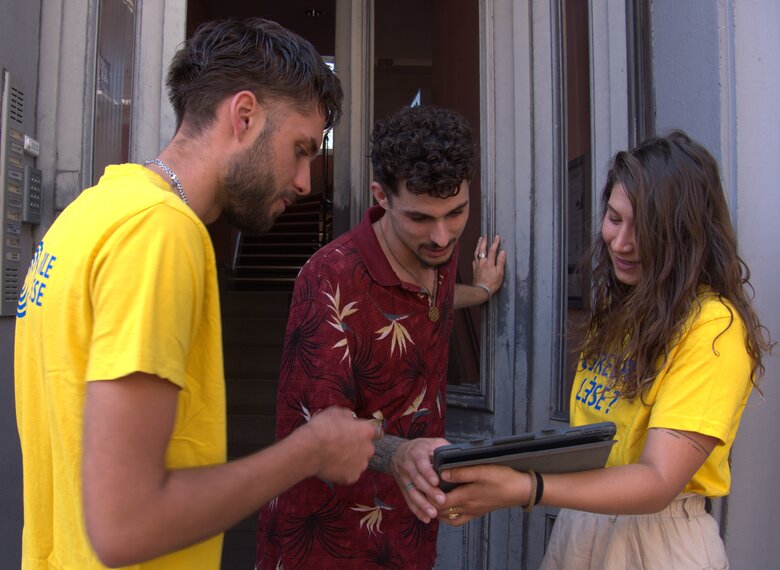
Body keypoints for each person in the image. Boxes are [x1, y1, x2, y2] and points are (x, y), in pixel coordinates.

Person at [14, 18, 381, 570]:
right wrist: (312, 450)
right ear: (245, 115)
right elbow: (125, 528)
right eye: (301, 149)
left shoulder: (92, 212)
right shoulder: (161, 232)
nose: (306, 181)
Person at [437, 130, 773, 569]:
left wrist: (527, 487)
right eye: (614, 218)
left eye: (645, 228)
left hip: (657, 541)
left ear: (686, 234)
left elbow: (657, 480)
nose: (621, 242)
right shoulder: (627, 308)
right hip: (584, 526)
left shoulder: (713, 327)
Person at [255, 105, 507, 569]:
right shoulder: (329, 277)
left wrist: (485, 290)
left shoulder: (440, 252)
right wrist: (399, 453)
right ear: (381, 196)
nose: (442, 235)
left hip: (411, 522)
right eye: (420, 219)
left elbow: (433, 301)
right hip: (328, 537)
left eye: (456, 213)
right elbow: (324, 424)